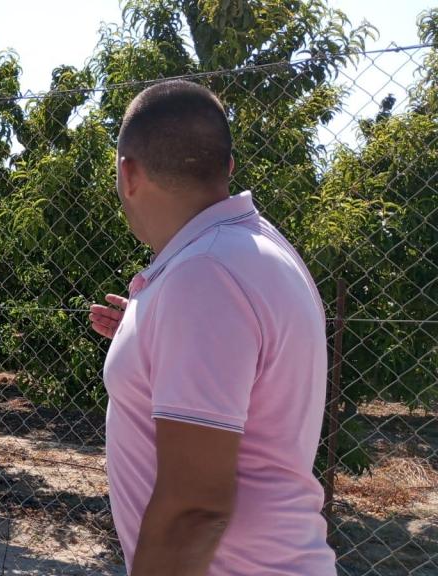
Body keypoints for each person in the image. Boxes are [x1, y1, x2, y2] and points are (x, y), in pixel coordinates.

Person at [89, 80, 335, 575]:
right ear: (226, 167)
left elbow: (193, 511)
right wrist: (154, 345)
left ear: (128, 174)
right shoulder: (252, 249)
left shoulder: (204, 274)